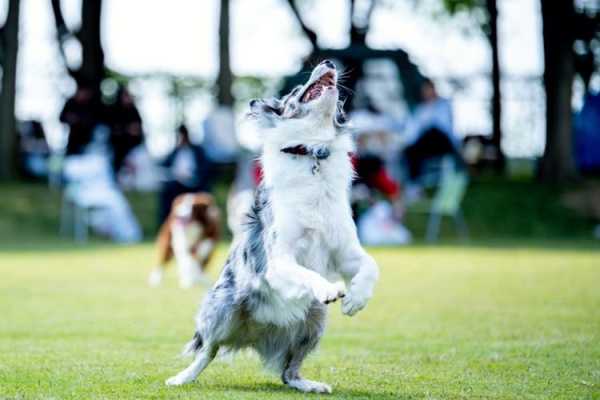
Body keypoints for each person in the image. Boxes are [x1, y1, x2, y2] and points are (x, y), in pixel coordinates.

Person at [402, 79, 463, 182]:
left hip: (443, 141)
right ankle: (414, 183)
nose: (426, 92)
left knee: (432, 131)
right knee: (410, 150)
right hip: (425, 142)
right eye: (424, 90)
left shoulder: (444, 104)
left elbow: (443, 125)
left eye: (428, 89)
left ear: (434, 89)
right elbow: (414, 130)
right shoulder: (421, 109)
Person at [158, 125, 211, 225]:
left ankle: (203, 223)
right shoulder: (174, 152)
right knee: (167, 192)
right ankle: (167, 223)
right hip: (177, 184)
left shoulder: (198, 151)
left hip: (195, 183)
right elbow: (164, 166)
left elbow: (205, 168)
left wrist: (192, 176)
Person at [107, 86, 144, 173]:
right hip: (117, 147)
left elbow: (137, 130)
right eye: (126, 96)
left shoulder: (134, 111)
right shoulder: (114, 110)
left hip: (133, 147)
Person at [59, 85, 105, 156]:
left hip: (88, 140)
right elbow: (61, 118)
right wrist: (70, 118)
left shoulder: (91, 105)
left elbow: (94, 121)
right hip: (73, 139)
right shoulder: (71, 103)